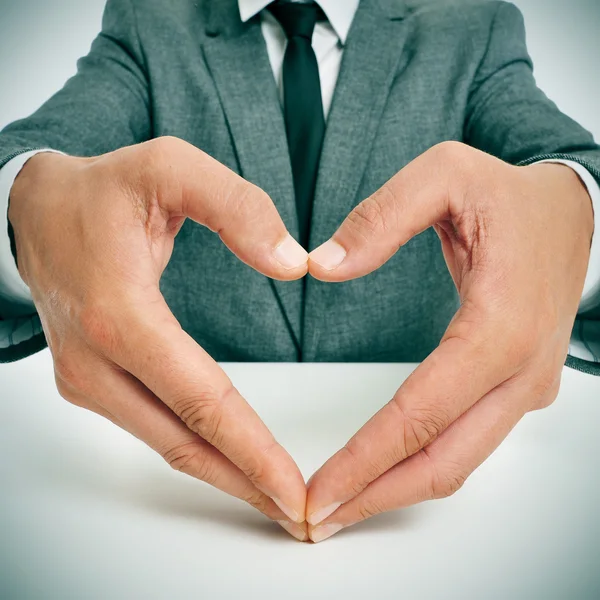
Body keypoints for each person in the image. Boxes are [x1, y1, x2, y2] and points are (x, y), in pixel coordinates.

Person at [0, 0, 599, 544]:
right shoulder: (148, 22)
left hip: (435, 529)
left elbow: (571, 165)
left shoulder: (474, 25)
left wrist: (577, 215)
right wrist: (25, 208)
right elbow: (37, 152)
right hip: (179, 517)